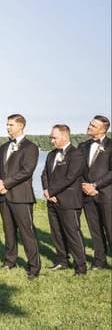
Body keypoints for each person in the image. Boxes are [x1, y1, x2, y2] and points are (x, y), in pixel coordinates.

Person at [0, 114, 41, 280]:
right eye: (7, 124)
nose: (8, 127)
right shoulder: (3, 147)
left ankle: (34, 267)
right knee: (9, 231)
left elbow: (26, 171)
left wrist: (5, 184)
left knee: (27, 233)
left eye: (11, 125)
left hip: (21, 196)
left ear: (21, 126)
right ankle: (9, 261)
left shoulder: (31, 148)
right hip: (4, 196)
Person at [42, 124, 87, 276]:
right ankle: (62, 260)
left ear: (65, 137)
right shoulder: (50, 155)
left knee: (73, 233)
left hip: (69, 200)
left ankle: (80, 267)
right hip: (52, 200)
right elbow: (44, 175)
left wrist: (52, 191)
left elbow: (70, 177)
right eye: (51, 137)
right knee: (57, 233)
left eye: (54, 137)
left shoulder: (77, 154)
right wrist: (47, 191)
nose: (51, 140)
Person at [79, 115, 112, 270]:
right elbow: (76, 170)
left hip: (107, 194)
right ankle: (100, 261)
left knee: (110, 228)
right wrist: (84, 186)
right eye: (90, 123)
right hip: (87, 195)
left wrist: (95, 185)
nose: (89, 126)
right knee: (95, 229)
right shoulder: (83, 146)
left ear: (102, 129)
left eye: (93, 125)